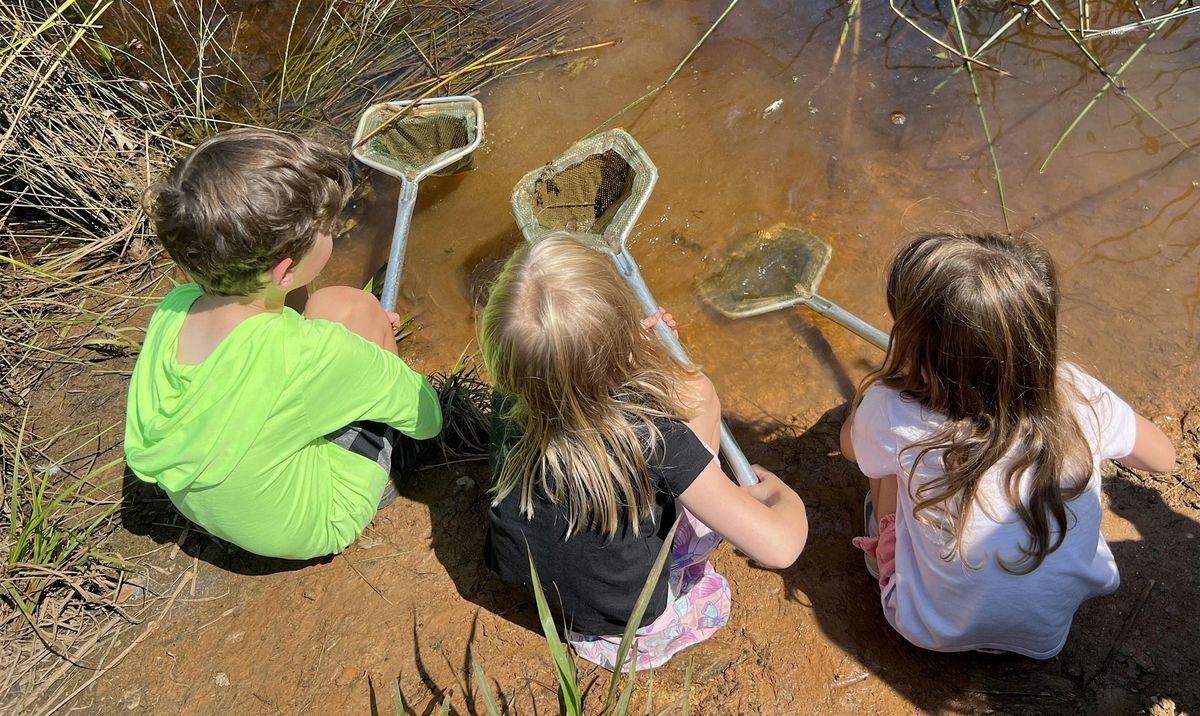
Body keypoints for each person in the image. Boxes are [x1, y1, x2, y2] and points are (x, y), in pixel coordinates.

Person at [480, 233, 808, 672]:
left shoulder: (510, 402)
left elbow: (577, 382)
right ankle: (705, 496)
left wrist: (628, 354)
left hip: (541, 596)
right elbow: (781, 548)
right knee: (697, 389)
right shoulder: (654, 439)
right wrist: (785, 497)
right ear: (623, 344)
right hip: (632, 618)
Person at [841, 232, 1176, 658]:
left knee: (883, 468)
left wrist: (880, 386)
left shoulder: (893, 408)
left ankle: (881, 544)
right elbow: (1163, 458)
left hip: (926, 626)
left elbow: (851, 449)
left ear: (918, 348)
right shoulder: (1078, 394)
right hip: (1046, 635)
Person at [125, 128, 442, 560]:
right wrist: (372, 349)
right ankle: (382, 481)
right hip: (318, 519)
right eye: (329, 229)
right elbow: (427, 419)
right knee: (353, 306)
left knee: (318, 310)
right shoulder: (313, 356)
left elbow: (278, 333)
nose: (333, 233)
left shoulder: (175, 308)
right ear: (285, 270)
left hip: (224, 510)